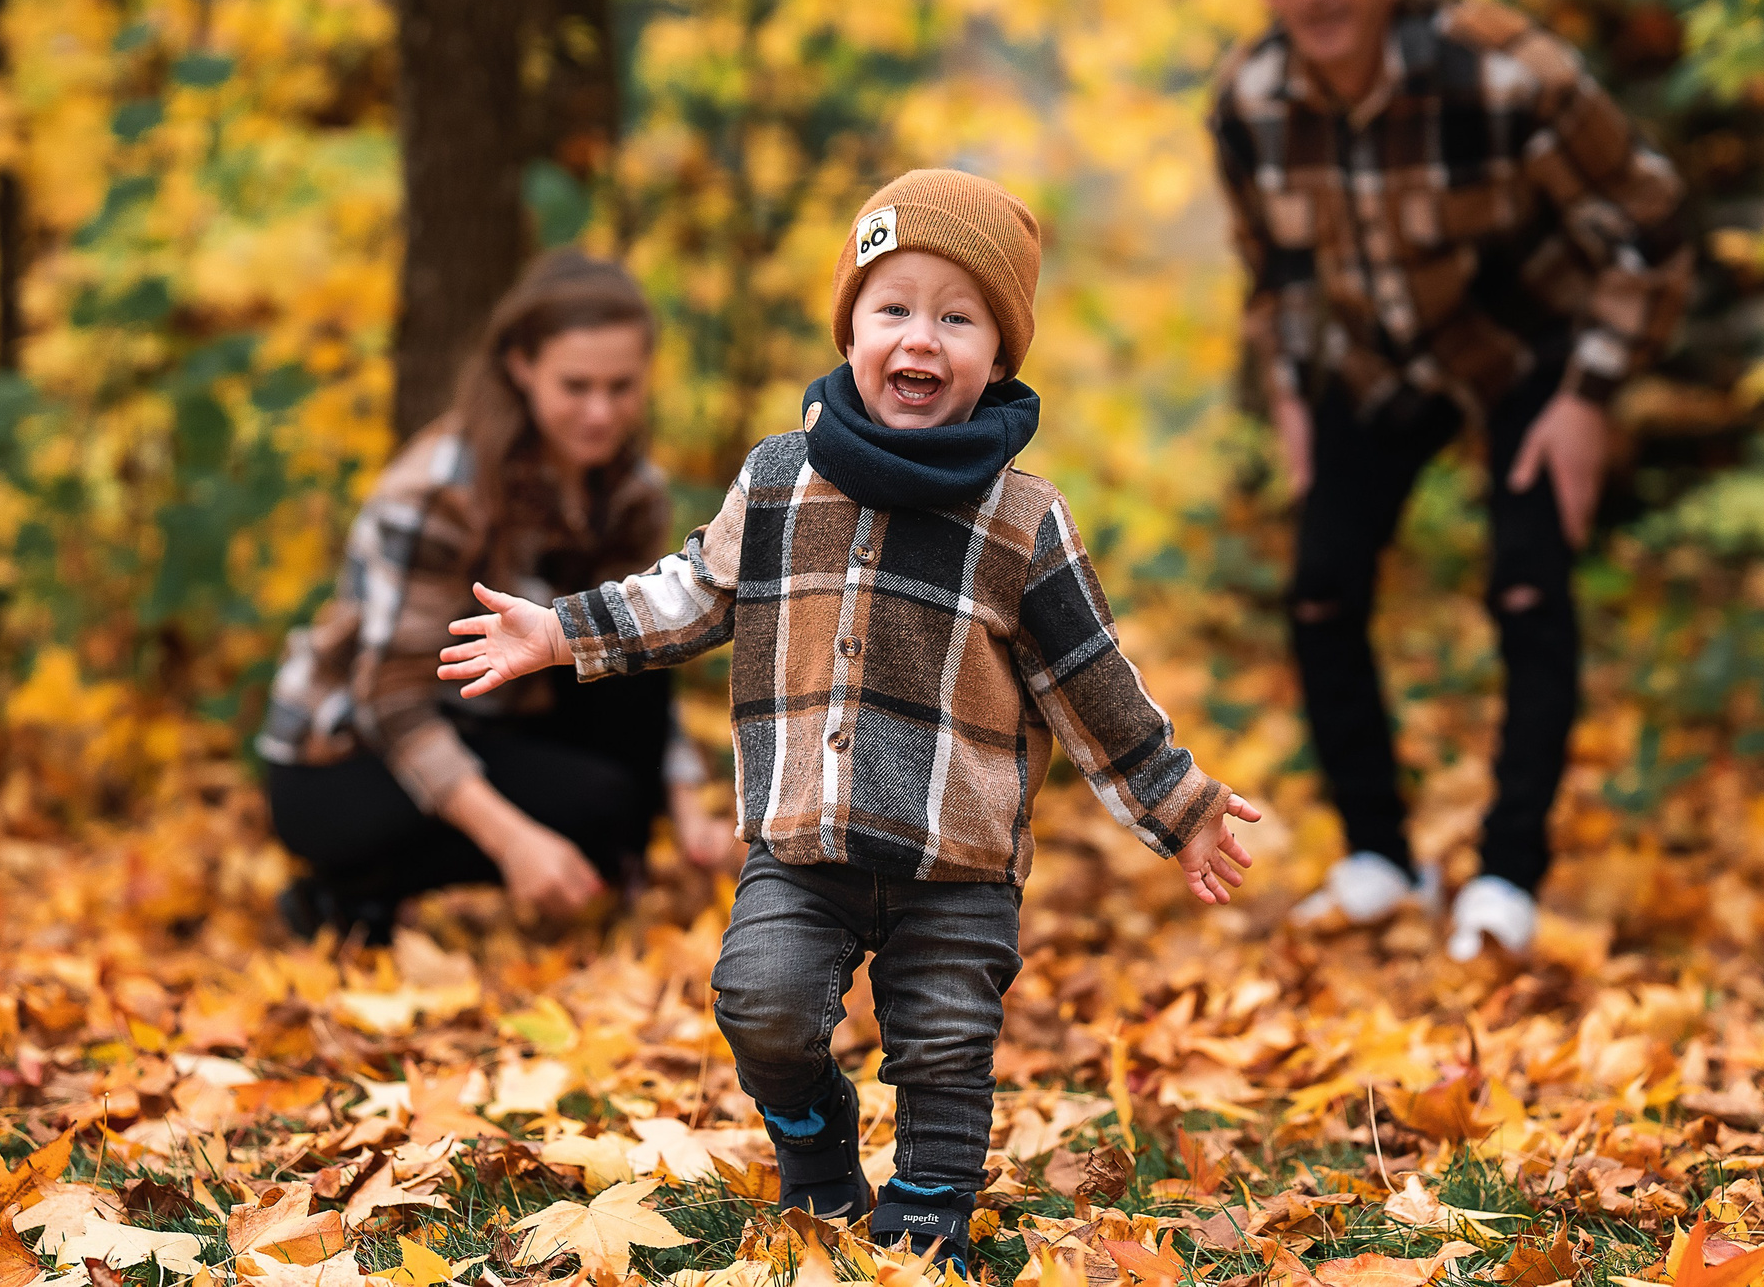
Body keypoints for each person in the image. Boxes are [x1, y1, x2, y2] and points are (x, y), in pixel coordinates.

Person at [440, 170, 1263, 1278]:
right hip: (803, 838)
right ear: (853, 327)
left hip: (956, 857)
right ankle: (816, 1148)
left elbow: (1092, 683)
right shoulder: (781, 481)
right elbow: (690, 591)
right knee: (760, 996)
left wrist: (1184, 806)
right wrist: (564, 632)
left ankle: (927, 1223)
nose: (920, 338)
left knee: (946, 1043)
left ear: (997, 355)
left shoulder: (1023, 519)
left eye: (956, 317)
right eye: (894, 308)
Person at [1211, 0, 1691, 959]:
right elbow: (1274, 269)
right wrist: (1291, 394)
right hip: (1372, 362)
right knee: (1320, 588)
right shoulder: (1248, 101)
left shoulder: (1508, 75)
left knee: (1526, 583)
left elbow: (1650, 225)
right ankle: (1379, 857)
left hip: (1522, 351)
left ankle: (1508, 875)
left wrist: (1588, 398)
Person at [256, 250, 734, 944]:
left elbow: (644, 659)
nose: (601, 413)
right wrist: (515, 841)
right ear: (521, 367)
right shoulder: (436, 492)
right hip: (344, 756)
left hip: (489, 718)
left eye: (622, 387)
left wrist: (689, 812)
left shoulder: (630, 492)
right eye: (576, 386)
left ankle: (599, 873)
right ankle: (347, 894)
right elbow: (388, 701)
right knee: (596, 811)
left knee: (625, 644)